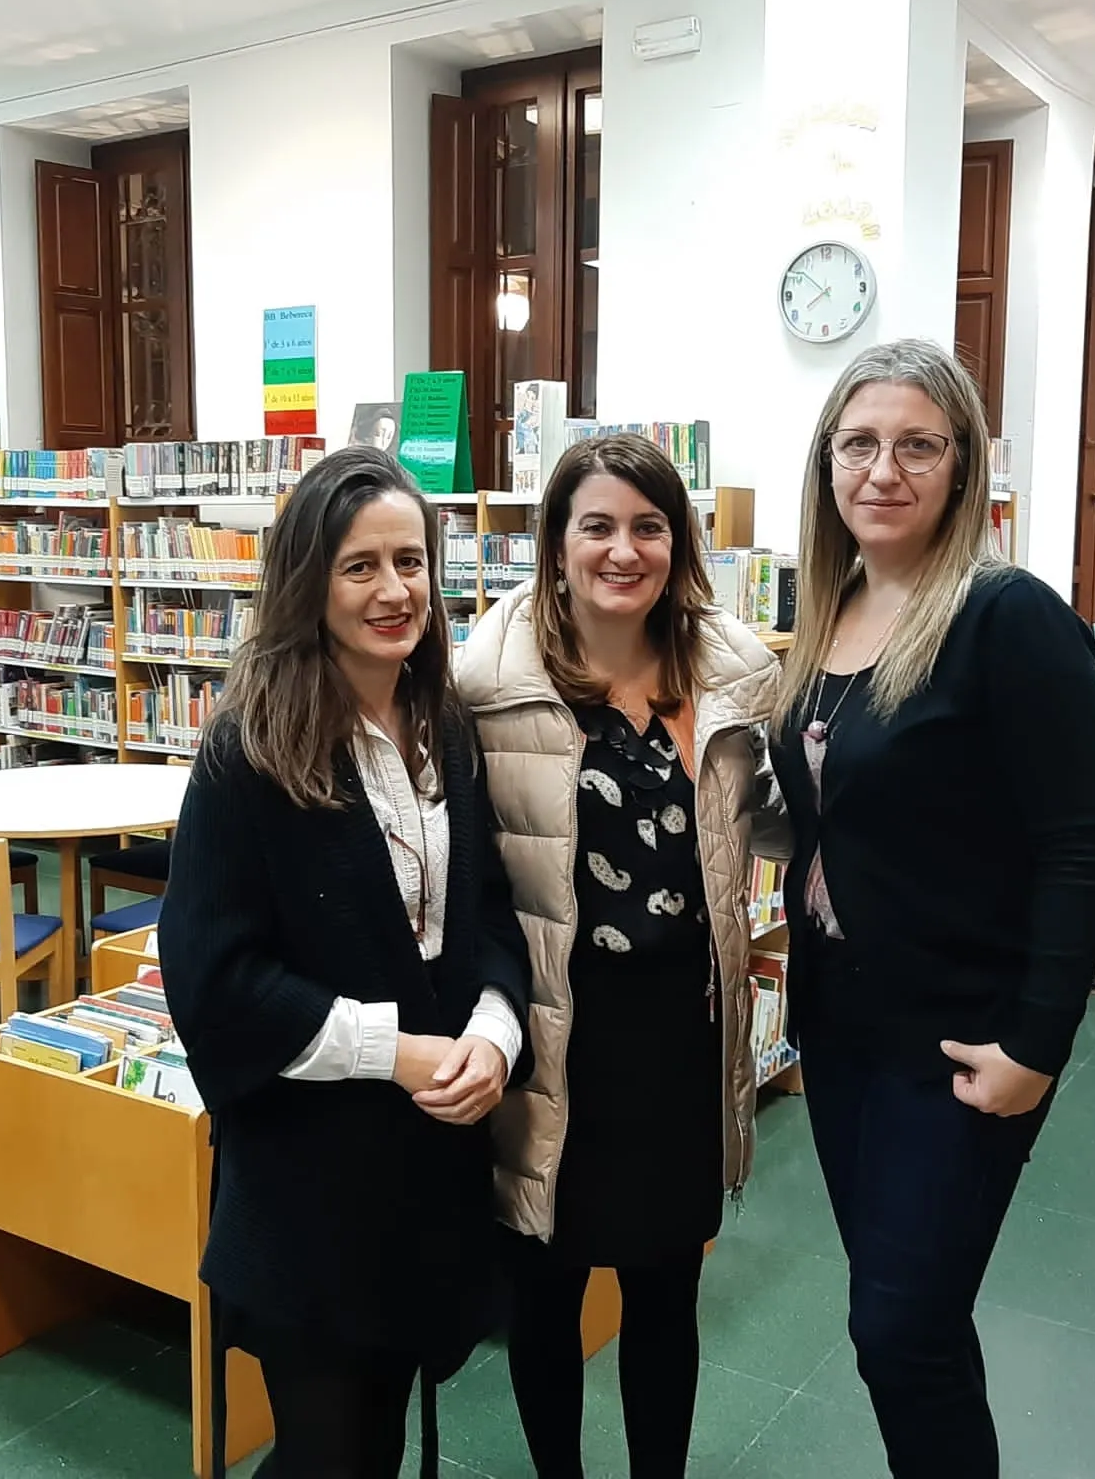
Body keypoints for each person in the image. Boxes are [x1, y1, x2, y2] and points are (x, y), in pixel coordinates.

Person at [769, 340, 1095, 1479]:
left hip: (962, 1037)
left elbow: (1077, 849)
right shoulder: (829, 613)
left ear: (963, 468)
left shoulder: (1007, 618)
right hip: (844, 1029)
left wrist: (1037, 1046)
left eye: (918, 445)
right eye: (859, 444)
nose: (884, 470)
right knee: (900, 1326)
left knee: (900, 1327)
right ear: (827, 463)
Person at [158, 446, 534, 1479]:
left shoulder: (444, 728)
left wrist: (495, 1039)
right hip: (308, 1191)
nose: (393, 589)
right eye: (359, 566)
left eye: (409, 561)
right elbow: (214, 983)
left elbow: (489, 912)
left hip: (425, 1180)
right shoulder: (250, 749)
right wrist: (397, 1053)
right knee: (330, 1455)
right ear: (307, 580)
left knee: (380, 1436)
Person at [457, 432, 788, 1479]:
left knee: (664, 1294)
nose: (623, 549)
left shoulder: (735, 672)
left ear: (679, 542)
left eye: (649, 526)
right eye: (595, 525)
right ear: (554, 543)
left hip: (680, 1039)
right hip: (555, 1034)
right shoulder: (484, 678)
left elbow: (779, 820)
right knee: (546, 1294)